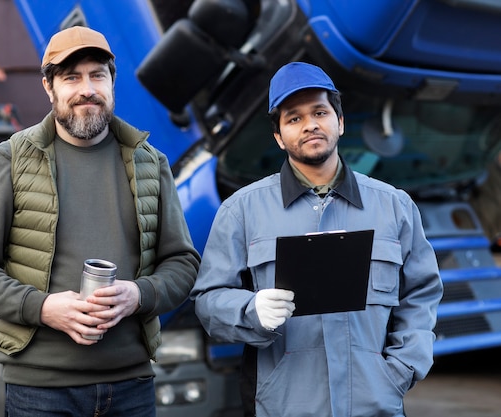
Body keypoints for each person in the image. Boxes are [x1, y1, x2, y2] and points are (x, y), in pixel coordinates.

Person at [0, 26, 200, 416]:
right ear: (49, 87)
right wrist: (42, 307)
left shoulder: (151, 163)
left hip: (132, 388)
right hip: (41, 392)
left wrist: (139, 295)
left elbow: (183, 263)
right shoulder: (10, 160)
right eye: (71, 77)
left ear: (112, 83)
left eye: (97, 75)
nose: (87, 89)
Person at [190, 62, 443, 417]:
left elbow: (421, 294)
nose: (309, 124)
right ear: (278, 136)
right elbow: (208, 300)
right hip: (285, 405)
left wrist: (400, 370)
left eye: (320, 112)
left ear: (339, 122)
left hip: (376, 404)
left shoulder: (394, 206)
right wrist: (250, 310)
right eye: (293, 118)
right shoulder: (241, 211)